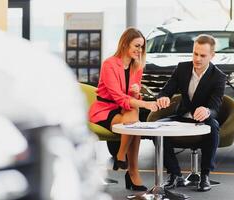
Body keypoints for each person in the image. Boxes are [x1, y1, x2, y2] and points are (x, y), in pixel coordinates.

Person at [89, 27, 158, 191]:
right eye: (136, 46)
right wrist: (145, 104)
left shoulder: (137, 67)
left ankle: (122, 158)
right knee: (134, 119)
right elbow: (118, 97)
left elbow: (132, 98)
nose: (139, 50)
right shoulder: (109, 64)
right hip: (106, 109)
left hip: (125, 110)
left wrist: (136, 93)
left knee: (133, 119)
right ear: (125, 44)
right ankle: (131, 169)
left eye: (141, 47)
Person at [156, 34, 226, 192]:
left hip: (203, 119)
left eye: (203, 55)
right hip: (182, 117)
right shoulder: (182, 68)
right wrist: (163, 97)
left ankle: (205, 175)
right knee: (157, 129)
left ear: (212, 55)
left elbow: (215, 106)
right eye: (195, 53)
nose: (198, 59)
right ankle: (175, 174)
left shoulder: (218, 77)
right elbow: (165, 91)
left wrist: (207, 110)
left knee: (213, 127)